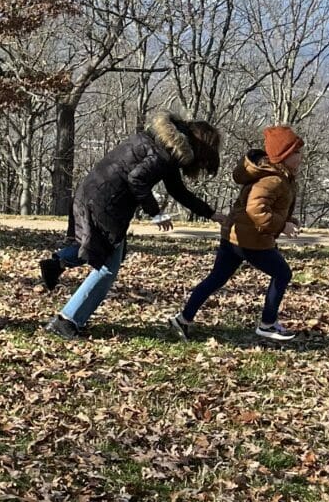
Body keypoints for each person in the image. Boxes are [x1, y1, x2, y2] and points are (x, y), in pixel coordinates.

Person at [41, 113, 222, 340]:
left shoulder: (162, 143)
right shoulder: (162, 153)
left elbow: (178, 191)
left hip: (92, 191)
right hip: (106, 202)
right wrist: (156, 214)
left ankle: (58, 262)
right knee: (107, 268)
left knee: (100, 249)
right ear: (200, 146)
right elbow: (136, 179)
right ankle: (66, 320)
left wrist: (212, 214)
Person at [169, 126, 303, 345]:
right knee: (282, 274)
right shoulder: (273, 179)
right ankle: (267, 324)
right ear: (284, 156)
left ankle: (183, 319)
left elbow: (273, 208)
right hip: (250, 240)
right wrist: (281, 227)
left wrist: (289, 221)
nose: (300, 157)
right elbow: (256, 210)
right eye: (296, 153)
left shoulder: (276, 175)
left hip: (234, 236)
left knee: (217, 278)